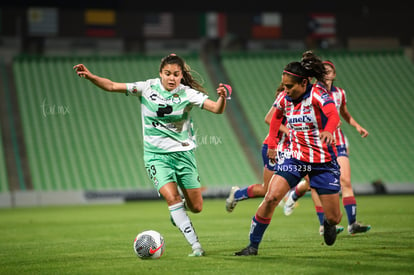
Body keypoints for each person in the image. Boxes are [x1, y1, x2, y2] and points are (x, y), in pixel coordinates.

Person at [73, 54, 230, 257]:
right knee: (172, 197)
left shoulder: (188, 94)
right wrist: (91, 77)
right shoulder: (147, 88)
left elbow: (217, 109)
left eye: (176, 74)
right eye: (167, 74)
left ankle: (179, 214)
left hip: (183, 154)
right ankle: (196, 246)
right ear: (160, 74)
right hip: (156, 156)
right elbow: (112, 86)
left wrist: (223, 98)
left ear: (182, 75)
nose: (171, 78)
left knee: (197, 207)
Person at [234, 51, 342, 256]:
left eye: (289, 86)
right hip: (295, 158)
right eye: (284, 85)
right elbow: (275, 119)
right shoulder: (285, 98)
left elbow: (333, 114)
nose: (285, 90)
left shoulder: (318, 94)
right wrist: (273, 143)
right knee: (271, 197)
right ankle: (252, 246)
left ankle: (329, 223)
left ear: (303, 83)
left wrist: (328, 129)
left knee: (335, 217)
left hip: (323, 162)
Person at [283, 60, 371, 235]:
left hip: (337, 142)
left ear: (334, 74)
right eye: (323, 70)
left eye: (329, 70)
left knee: (345, 181)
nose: (326, 72)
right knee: (312, 184)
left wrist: (357, 126)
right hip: (315, 145)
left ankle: (352, 223)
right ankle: (319, 219)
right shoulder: (310, 91)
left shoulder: (339, 93)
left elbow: (343, 114)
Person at [225, 85, 292, 212]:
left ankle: (324, 222)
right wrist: (288, 131)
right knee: (266, 190)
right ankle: (237, 194)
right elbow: (269, 119)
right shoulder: (285, 103)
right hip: (272, 147)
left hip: (289, 149)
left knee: (310, 179)